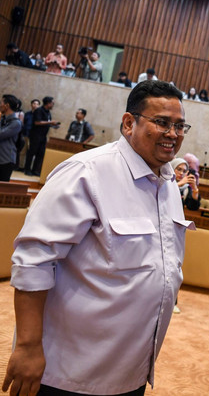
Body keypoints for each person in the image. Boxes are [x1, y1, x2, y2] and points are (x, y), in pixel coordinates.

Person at [2, 80, 194, 396]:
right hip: (67, 372)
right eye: (161, 122)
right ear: (129, 122)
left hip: (130, 373)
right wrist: (27, 346)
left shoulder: (168, 181)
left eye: (179, 125)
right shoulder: (87, 172)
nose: (173, 134)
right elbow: (34, 259)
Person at [24, 96, 60, 177]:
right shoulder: (39, 110)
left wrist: (53, 125)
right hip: (35, 135)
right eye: (52, 103)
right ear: (48, 103)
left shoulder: (48, 112)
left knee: (40, 154)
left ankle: (35, 170)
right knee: (31, 152)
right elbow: (37, 122)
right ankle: (27, 169)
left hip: (43, 136)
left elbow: (46, 123)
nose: (53, 105)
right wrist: (51, 122)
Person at [0, 94, 22, 181]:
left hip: (6, 161)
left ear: (7, 105)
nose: (0, 105)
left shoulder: (16, 123)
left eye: (1, 102)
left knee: (2, 190)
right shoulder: (3, 119)